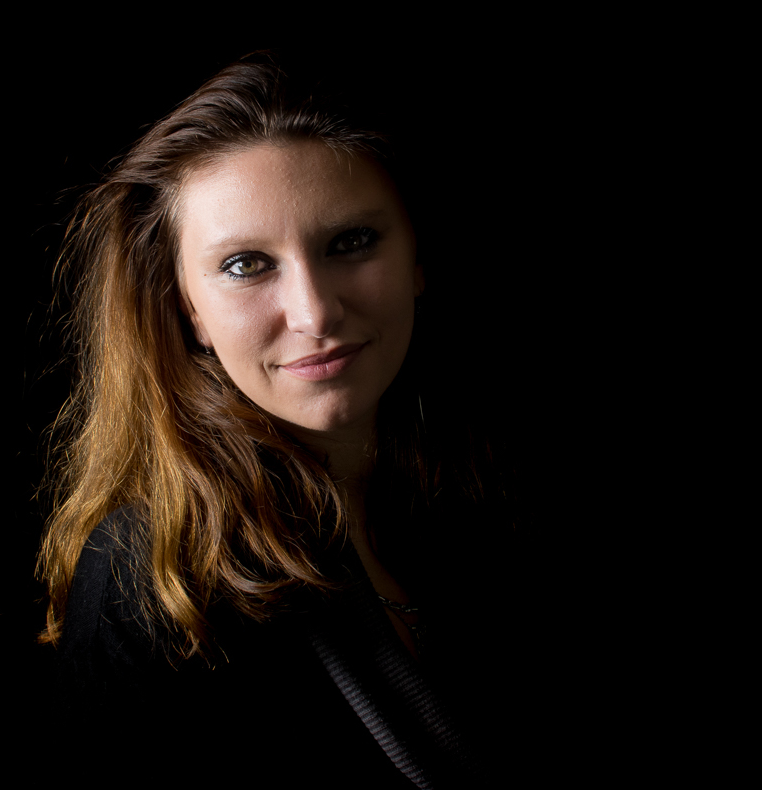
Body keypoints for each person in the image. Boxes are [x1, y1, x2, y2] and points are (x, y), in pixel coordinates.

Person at [34, 51, 535, 788]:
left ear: (418, 257)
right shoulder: (150, 581)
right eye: (246, 265)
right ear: (187, 308)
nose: (315, 313)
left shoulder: (489, 496)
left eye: (351, 242)